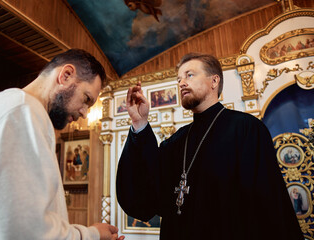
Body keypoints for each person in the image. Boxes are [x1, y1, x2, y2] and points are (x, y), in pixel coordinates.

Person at [116, 52, 303, 240]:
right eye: (179, 79)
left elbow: (269, 207)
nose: (181, 83)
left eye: (189, 75)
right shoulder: (176, 142)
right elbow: (145, 196)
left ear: (214, 81)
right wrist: (140, 123)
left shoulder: (246, 129)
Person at [0, 49, 124, 240]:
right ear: (66, 75)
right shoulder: (21, 111)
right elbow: (24, 233)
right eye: (86, 99)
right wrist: (91, 235)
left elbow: (29, 219)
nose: (84, 113)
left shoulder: (18, 108)